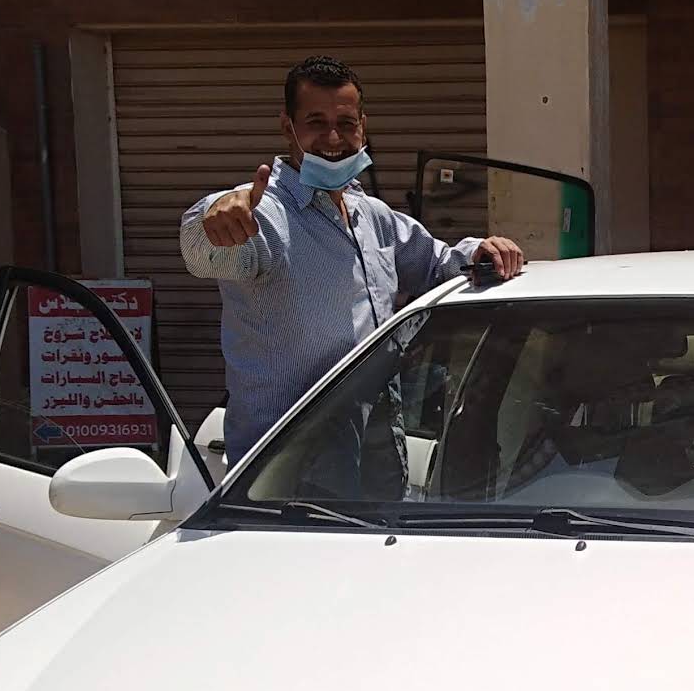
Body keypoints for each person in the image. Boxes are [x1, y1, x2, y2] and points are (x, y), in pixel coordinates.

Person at [180, 54, 523, 465]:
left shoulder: (372, 216)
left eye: (345, 123)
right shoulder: (264, 214)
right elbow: (204, 251)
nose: (333, 138)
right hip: (284, 472)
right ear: (288, 127)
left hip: (380, 454)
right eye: (316, 122)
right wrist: (212, 220)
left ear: (363, 126)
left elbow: (439, 266)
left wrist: (481, 252)